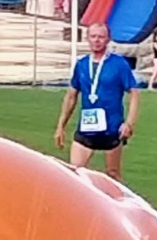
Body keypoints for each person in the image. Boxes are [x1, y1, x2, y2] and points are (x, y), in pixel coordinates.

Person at [53, 22, 141, 181]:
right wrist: (61, 126)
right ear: (87, 38)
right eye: (93, 36)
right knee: (75, 174)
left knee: (113, 175)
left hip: (112, 128)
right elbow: (71, 96)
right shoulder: (81, 65)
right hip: (87, 127)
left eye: (101, 37)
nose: (97, 40)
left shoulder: (119, 64)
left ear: (108, 40)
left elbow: (134, 93)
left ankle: (119, 205)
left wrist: (129, 123)